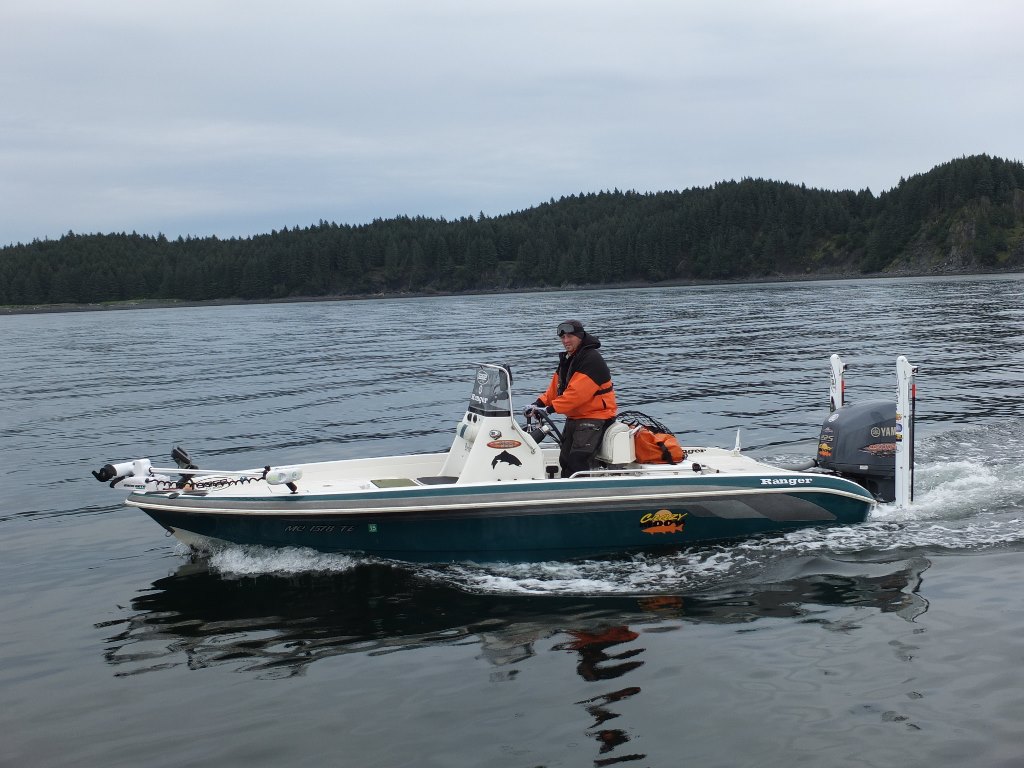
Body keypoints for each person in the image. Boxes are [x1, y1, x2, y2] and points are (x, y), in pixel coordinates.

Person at [527, 320, 617, 477]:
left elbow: (576, 395)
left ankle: (584, 491)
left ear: (580, 336)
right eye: (563, 337)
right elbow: (555, 389)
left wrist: (549, 409)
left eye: (570, 336)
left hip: (594, 417)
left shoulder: (591, 360)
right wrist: (538, 403)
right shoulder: (570, 358)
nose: (565, 341)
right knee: (564, 459)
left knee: (577, 461)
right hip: (575, 417)